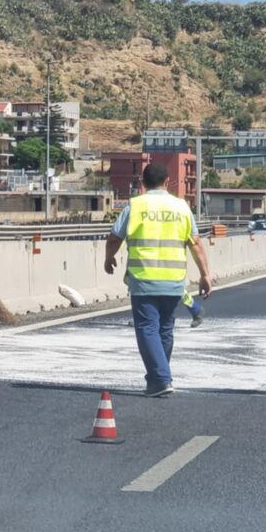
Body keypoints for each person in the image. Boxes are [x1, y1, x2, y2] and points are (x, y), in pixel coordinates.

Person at [105, 163, 212, 397]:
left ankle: (162, 378)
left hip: (144, 278)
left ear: (142, 184)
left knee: (147, 328)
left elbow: (114, 237)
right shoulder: (181, 207)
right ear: (167, 182)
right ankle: (157, 378)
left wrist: (108, 258)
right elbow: (196, 243)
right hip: (173, 280)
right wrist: (205, 274)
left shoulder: (136, 206)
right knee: (165, 328)